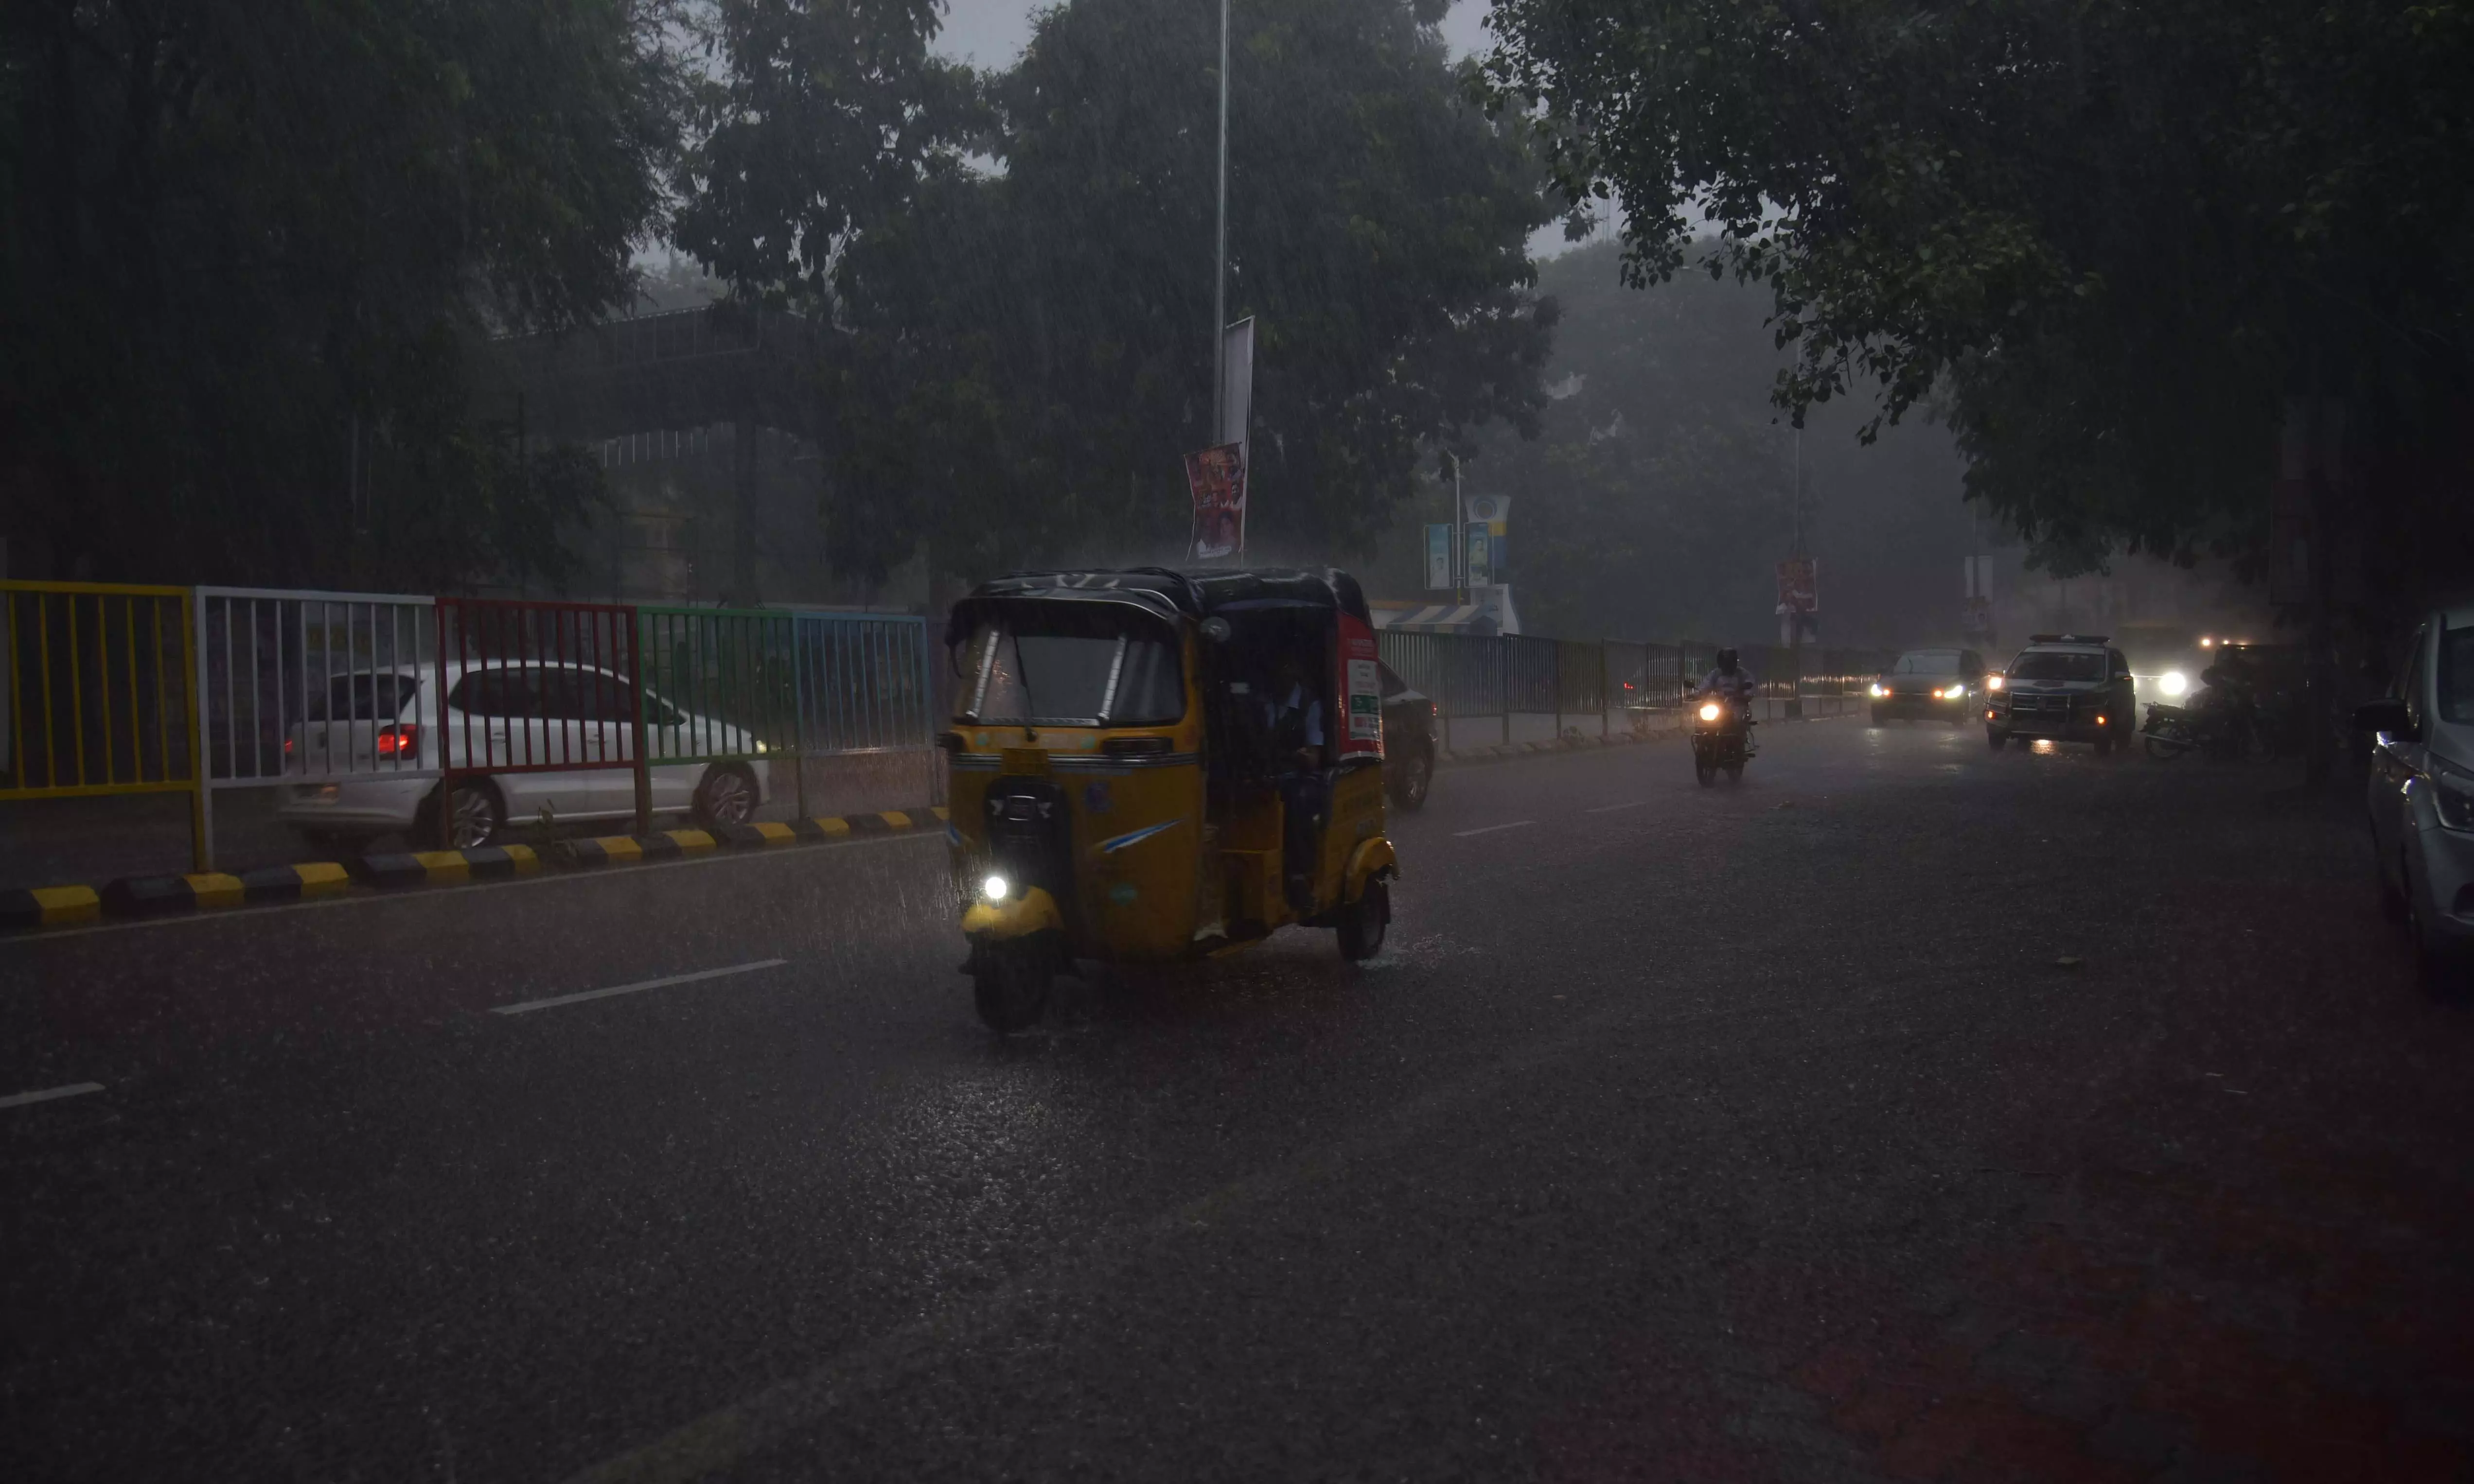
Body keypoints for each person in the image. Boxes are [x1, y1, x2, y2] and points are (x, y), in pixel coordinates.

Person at [1265, 654, 1328, 912]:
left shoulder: (1310, 705)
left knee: (1297, 799)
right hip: (1269, 773)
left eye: (1287, 667)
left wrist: (1298, 756)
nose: (1282, 673)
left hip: (1301, 777)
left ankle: (1299, 876)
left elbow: (1314, 758)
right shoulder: (1266, 702)